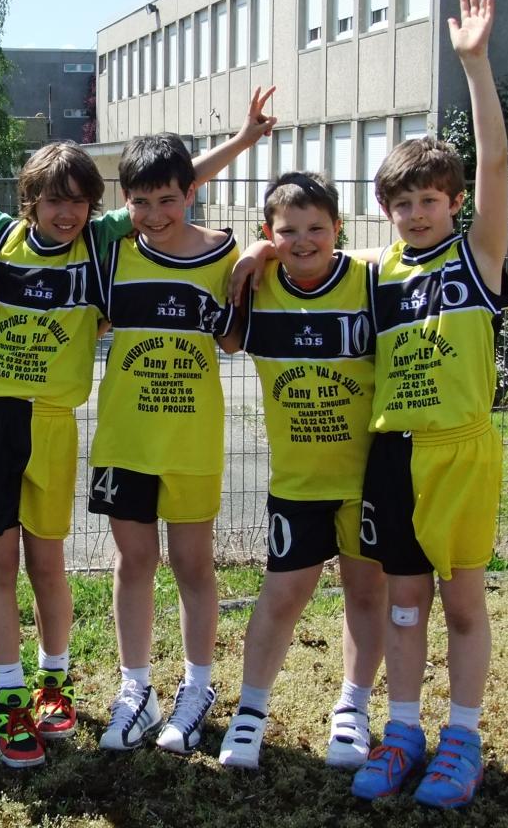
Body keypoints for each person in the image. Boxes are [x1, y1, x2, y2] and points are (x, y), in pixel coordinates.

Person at [0, 73, 273, 768]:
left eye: (78, 203)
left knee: (49, 565)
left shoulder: (101, 242)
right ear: (27, 203)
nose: (66, 215)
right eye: (52, 203)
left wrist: (240, 143)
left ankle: (54, 682)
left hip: (56, 423)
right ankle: (9, 700)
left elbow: (169, 193)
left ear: (94, 205)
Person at [347, 0, 508, 808]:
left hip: (461, 453)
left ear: (452, 203)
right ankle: (403, 731)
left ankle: (464, 738)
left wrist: (474, 66)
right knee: (403, 604)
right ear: (388, 210)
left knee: (463, 602)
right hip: (394, 454)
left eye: (429, 200)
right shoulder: (378, 272)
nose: (415, 212)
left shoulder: (476, 260)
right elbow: (302, 259)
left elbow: (495, 169)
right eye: (402, 202)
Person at [217, 173, 385, 770]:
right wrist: (254, 256)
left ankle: (353, 709)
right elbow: (227, 333)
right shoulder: (256, 290)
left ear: (338, 230)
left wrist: (265, 248)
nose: (304, 239)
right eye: (288, 231)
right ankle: (250, 713)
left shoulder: (369, 280)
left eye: (318, 228)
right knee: (282, 593)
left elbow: (405, 256)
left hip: (368, 478)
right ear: (270, 233)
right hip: (297, 482)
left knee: (366, 593)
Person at [88, 133, 242, 756]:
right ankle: (136, 689)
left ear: (191, 193)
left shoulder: (227, 255)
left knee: (192, 563)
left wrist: (255, 262)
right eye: (142, 202)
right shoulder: (114, 253)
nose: (155, 214)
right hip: (125, 436)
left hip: (191, 439)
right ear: (126, 202)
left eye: (169, 200)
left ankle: (197, 688)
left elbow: (232, 342)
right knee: (133, 561)